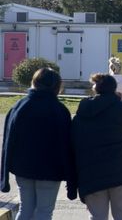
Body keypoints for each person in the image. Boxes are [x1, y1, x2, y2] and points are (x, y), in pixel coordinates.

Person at [1, 68, 77, 220]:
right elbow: (67, 146)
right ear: (56, 86)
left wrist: (5, 175)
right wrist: (71, 178)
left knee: (25, 209)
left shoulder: (19, 107)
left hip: (23, 168)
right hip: (51, 170)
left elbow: (8, 142)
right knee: (44, 212)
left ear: (34, 82)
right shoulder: (60, 110)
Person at [72, 73, 122, 220]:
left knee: (96, 216)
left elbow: (74, 138)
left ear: (95, 89)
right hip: (121, 169)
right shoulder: (121, 108)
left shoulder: (84, 110)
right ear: (114, 88)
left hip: (91, 170)